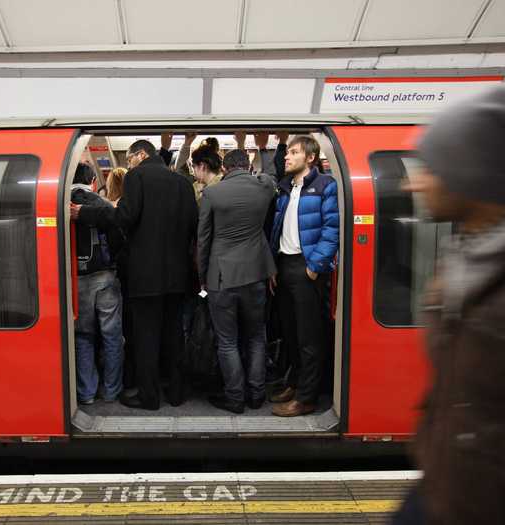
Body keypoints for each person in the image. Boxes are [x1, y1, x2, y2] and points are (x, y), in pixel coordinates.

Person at [391, 85, 505, 525]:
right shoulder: (472, 255)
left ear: (471, 173)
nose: (414, 181)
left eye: (432, 167)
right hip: (444, 483)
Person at [71, 140, 198, 410]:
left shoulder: (137, 177)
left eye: (129, 159)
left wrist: (84, 212)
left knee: (146, 337)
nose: (129, 164)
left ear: (140, 155)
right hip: (179, 274)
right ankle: (176, 393)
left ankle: (149, 396)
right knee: (175, 334)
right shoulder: (183, 184)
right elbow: (192, 226)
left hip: (146, 275)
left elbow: (124, 217)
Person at [198, 149, 277, 413]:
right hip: (256, 273)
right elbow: (269, 178)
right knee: (256, 336)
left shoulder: (212, 193)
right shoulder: (263, 188)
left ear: (225, 167)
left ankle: (235, 398)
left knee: (227, 340)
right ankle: (256, 395)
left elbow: (204, 239)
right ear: (247, 166)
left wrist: (202, 276)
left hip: (222, 277)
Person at [269, 136, 339, 417]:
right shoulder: (285, 188)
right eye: (287, 152)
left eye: (294, 152)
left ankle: (307, 398)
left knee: (309, 337)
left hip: (307, 267)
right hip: (284, 265)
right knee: (290, 332)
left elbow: (332, 228)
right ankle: (295, 384)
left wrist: (316, 264)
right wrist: (274, 266)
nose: (287, 157)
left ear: (310, 158)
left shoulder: (324, 186)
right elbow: (278, 230)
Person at [71, 163, 124, 405]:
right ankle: (112, 390)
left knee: (83, 336)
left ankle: (86, 392)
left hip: (75, 280)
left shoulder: (58, 203)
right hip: (105, 277)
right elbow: (117, 239)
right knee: (112, 335)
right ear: (93, 180)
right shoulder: (101, 204)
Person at [191, 137, 223, 203]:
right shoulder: (224, 182)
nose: (193, 171)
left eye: (194, 166)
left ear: (202, 166)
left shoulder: (210, 191)